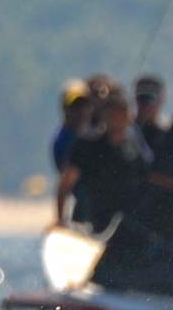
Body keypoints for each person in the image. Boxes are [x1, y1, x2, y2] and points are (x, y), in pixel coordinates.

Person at [55, 95, 151, 233]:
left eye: (121, 115)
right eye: (113, 115)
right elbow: (65, 185)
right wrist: (60, 220)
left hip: (126, 223)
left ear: (128, 117)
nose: (117, 120)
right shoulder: (87, 147)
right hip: (90, 222)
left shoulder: (135, 150)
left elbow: (148, 180)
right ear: (104, 116)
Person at [51, 79, 92, 173]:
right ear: (65, 108)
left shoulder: (94, 132)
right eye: (75, 106)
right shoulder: (62, 141)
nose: (81, 111)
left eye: (84, 104)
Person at [134, 74, 169, 159]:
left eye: (150, 99)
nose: (145, 106)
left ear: (161, 100)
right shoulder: (124, 130)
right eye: (141, 98)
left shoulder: (166, 135)